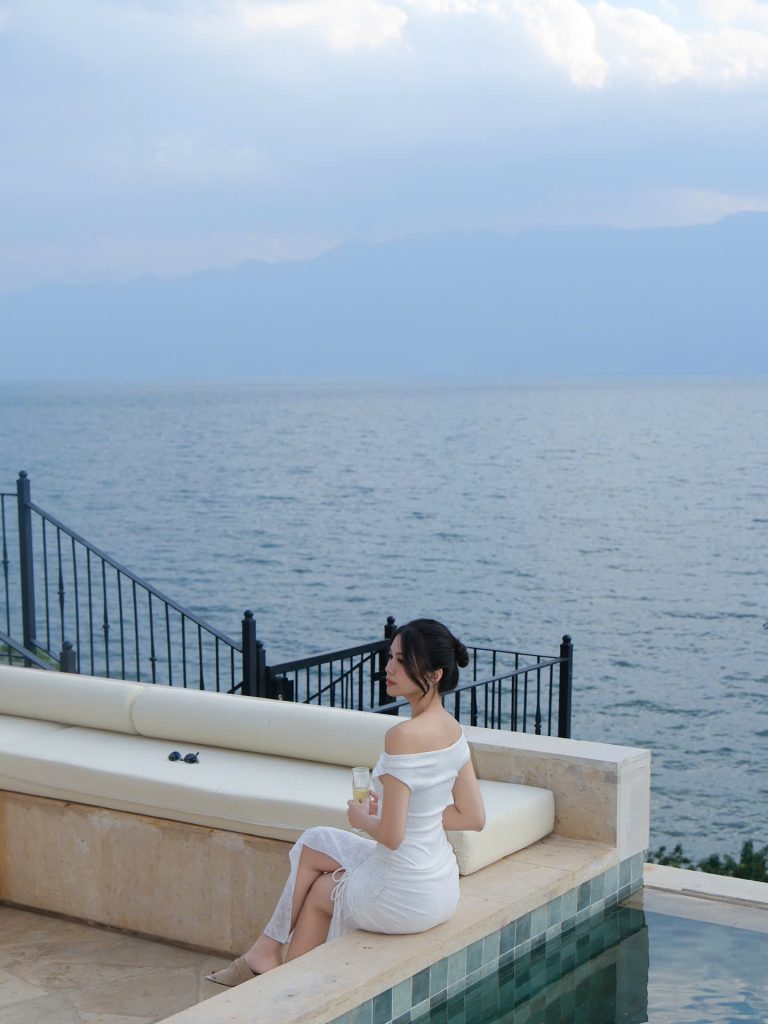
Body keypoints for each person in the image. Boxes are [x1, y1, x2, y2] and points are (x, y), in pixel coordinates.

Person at [205, 618, 486, 986]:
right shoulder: (453, 731)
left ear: (433, 675)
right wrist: (409, 815)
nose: (389, 668)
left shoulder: (402, 736)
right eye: (391, 657)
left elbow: (392, 837)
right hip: (441, 888)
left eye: (402, 661)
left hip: (404, 894)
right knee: (315, 842)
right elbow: (473, 816)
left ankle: (281, 980)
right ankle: (268, 955)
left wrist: (362, 817)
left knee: (321, 885)